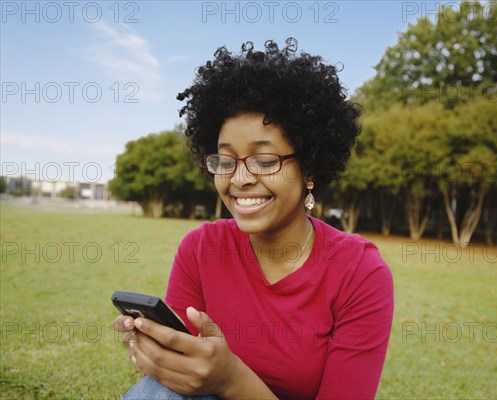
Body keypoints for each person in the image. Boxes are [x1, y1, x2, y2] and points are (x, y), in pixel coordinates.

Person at [114, 38, 394, 399]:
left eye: (264, 160)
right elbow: (180, 374)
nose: (239, 178)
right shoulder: (202, 248)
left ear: (309, 167)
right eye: (226, 160)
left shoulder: (359, 272)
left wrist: (231, 380)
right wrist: (157, 349)